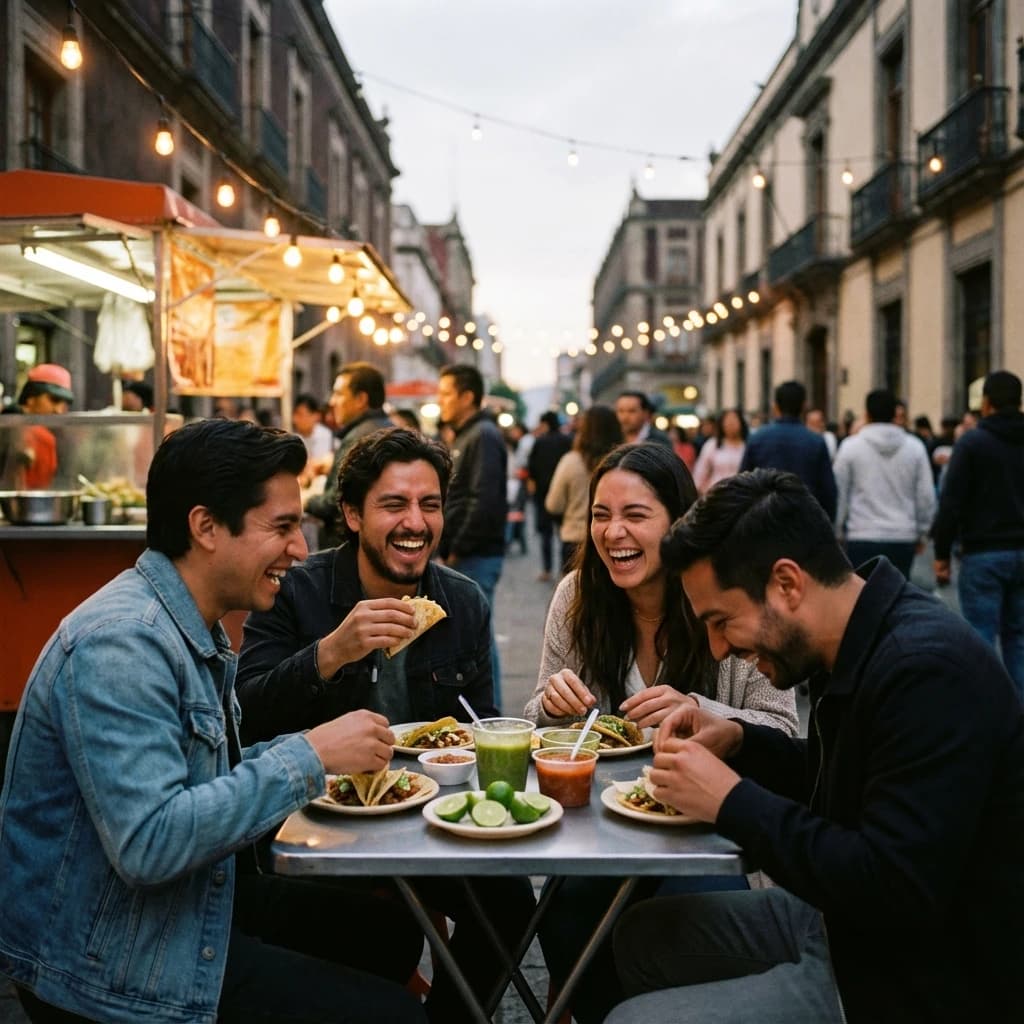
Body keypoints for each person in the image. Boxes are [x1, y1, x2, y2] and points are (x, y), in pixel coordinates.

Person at [0, 418, 427, 1024]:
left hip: (178, 903)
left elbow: (204, 783)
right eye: (281, 527)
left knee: (388, 931)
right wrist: (308, 755)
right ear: (204, 527)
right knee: (394, 1017)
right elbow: (150, 844)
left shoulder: (192, 626)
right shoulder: (122, 643)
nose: (302, 548)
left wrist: (316, 758)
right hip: (110, 957)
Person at [603, 468, 1024, 1024]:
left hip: (921, 974)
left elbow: (893, 888)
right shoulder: (852, 640)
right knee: (641, 935)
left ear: (787, 584)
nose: (719, 647)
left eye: (722, 621)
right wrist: (740, 741)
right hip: (848, 927)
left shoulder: (927, 672)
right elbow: (860, 782)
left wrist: (730, 801)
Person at [236, 426, 532, 1021]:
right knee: (379, 932)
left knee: (511, 904)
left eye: (429, 505)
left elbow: (477, 727)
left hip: (429, 816)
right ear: (350, 514)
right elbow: (245, 715)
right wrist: (330, 654)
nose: (415, 523)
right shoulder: (296, 590)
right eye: (394, 505)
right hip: (324, 820)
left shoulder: (463, 601)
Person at [525, 444, 798, 1024]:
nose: (613, 532)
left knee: (686, 916)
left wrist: (702, 709)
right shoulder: (577, 597)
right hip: (600, 829)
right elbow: (536, 721)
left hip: (706, 831)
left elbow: (782, 730)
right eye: (600, 515)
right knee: (563, 910)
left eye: (635, 515)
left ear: (677, 521)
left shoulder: (723, 597)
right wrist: (549, 707)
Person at [932, 370, 1024, 697]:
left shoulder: (972, 443)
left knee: (981, 637)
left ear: (986, 403)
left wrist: (941, 553)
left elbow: (951, 503)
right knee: (1019, 638)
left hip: (982, 552)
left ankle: (988, 713)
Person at [436, 363, 508, 704]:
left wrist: (456, 547)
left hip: (476, 554)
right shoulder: (466, 434)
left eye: (446, 394)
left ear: (468, 396)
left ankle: (490, 714)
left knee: (479, 635)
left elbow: (483, 499)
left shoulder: (483, 435)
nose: (441, 401)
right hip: (466, 552)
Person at [832, 388, 935, 578]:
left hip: (861, 534)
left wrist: (837, 530)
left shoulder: (850, 447)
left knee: (863, 599)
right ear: (896, 413)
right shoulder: (915, 447)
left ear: (867, 414)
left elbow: (839, 492)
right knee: (898, 600)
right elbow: (925, 495)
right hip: (902, 535)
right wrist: (922, 532)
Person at [306, 362, 392, 549]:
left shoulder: (359, 438)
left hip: (349, 548)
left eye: (338, 394)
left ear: (361, 399)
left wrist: (305, 500)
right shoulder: (385, 427)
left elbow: (336, 502)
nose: (331, 402)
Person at [739, 379, 837, 520]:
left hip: (764, 520)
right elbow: (828, 490)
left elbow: (743, 483)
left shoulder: (757, 438)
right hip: (805, 521)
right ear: (804, 406)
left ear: (776, 407)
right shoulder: (816, 441)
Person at [543, 404, 622, 573]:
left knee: (575, 595)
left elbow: (553, 504)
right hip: (615, 538)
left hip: (575, 539)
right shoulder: (624, 462)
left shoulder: (571, 461)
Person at [3, 363, 74, 488]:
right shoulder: (11, 427)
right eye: (54, 400)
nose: (58, 410)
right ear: (31, 396)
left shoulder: (50, 436)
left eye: (64, 404)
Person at [527, 411, 572, 582]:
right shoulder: (567, 441)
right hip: (564, 495)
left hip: (543, 494)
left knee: (546, 534)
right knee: (563, 534)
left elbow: (531, 466)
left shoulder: (540, 441)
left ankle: (547, 569)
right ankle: (564, 570)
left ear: (545, 424)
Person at [692, 408, 748, 494]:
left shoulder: (747, 445)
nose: (731, 424)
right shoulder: (712, 444)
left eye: (734, 420)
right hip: (716, 493)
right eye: (728, 421)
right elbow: (701, 470)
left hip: (742, 494)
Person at [292, 391, 334, 462]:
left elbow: (320, 462)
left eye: (300, 415)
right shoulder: (294, 437)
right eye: (295, 414)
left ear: (316, 416)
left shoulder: (324, 434)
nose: (295, 419)